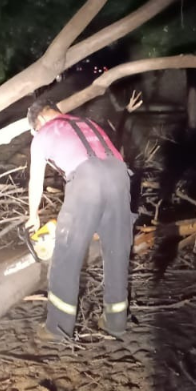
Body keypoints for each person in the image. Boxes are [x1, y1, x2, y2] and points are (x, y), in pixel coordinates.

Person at [25, 97, 134, 341]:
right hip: (120, 174)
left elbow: (36, 182)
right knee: (116, 251)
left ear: (39, 121)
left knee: (66, 254)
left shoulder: (43, 134)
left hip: (87, 178)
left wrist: (33, 215)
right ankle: (115, 321)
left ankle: (58, 328)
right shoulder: (86, 122)